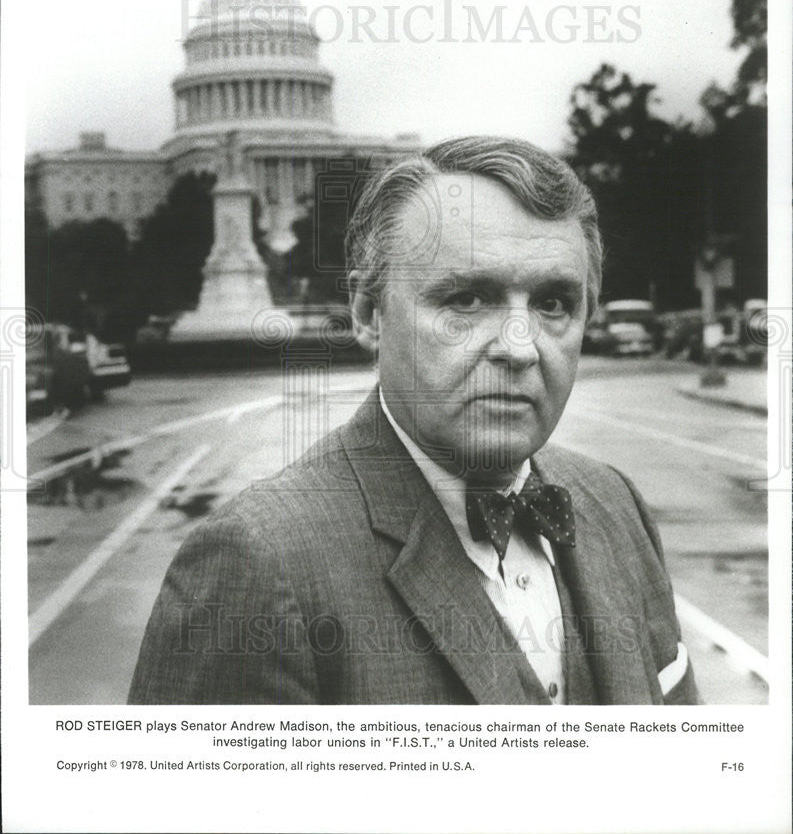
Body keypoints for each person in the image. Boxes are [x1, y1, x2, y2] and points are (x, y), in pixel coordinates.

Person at [129, 136, 698, 705]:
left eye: (553, 304)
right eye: (468, 300)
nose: (521, 349)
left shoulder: (614, 504)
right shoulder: (258, 565)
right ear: (368, 315)